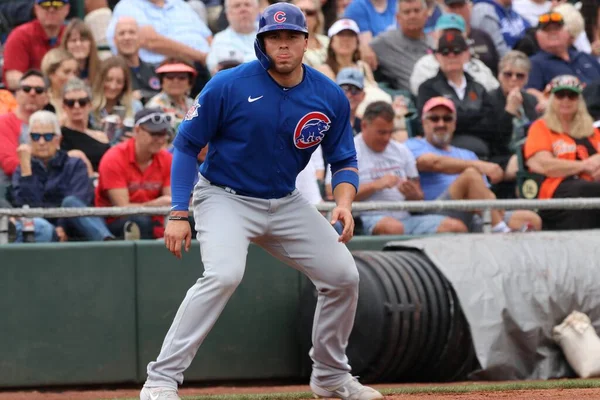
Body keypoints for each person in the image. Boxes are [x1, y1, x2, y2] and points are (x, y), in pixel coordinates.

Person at [140, 3, 383, 400]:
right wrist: (178, 212)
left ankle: (330, 375)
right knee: (224, 275)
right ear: (262, 41)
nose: (282, 45)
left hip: (285, 202)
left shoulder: (329, 95)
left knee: (343, 277)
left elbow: (344, 160)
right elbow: (185, 147)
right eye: (274, 37)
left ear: (307, 41)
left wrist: (344, 202)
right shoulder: (228, 84)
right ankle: (161, 380)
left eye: (291, 37)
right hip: (223, 196)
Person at [524, 74, 600, 230]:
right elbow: (542, 164)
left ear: (579, 101)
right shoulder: (541, 127)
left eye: (572, 96)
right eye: (560, 95)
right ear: (552, 99)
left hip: (591, 184)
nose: (566, 100)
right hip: (554, 191)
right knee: (584, 190)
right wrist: (583, 166)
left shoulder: (591, 131)